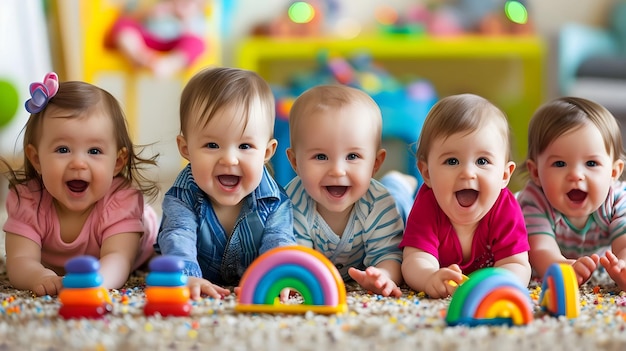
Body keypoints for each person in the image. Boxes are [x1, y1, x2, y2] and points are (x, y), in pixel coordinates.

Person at [2, 72, 160, 297]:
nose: (78, 163)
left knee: (161, 256)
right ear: (36, 159)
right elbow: (19, 261)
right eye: (63, 150)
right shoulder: (27, 200)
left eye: (94, 151)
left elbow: (118, 259)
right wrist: (41, 276)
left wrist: (96, 282)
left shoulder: (121, 202)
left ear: (117, 162)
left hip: (139, 238)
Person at [155, 67, 296, 300]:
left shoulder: (275, 203)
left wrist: (276, 275)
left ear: (267, 151)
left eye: (245, 146)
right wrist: (185, 275)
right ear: (185, 148)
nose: (229, 159)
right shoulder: (181, 198)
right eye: (212, 145)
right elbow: (178, 236)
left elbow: (279, 242)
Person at [400, 93, 531, 298]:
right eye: (452, 161)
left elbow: (517, 263)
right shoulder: (428, 203)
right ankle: (398, 184)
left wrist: (500, 284)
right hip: (403, 207)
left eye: (482, 161)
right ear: (426, 173)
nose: (468, 173)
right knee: (397, 205)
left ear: (505, 175)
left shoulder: (506, 207)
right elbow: (414, 259)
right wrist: (429, 277)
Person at [285, 84, 404, 298]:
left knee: (399, 198)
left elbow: (390, 254)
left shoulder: (380, 203)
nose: (337, 171)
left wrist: (384, 275)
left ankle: (398, 183)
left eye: (352, 157)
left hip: (393, 203)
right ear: (295, 162)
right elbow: (296, 256)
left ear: (375, 164)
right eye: (321, 157)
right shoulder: (291, 202)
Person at [517, 97, 626, 290]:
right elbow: (541, 248)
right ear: (536, 173)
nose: (576, 175)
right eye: (559, 164)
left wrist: (622, 264)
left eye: (591, 163)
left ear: (613, 172)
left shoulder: (617, 199)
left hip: (595, 259)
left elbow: (623, 242)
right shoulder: (534, 200)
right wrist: (561, 268)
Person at [105, 0, 207, 78]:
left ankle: (169, 65)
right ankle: (138, 57)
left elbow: (195, 36)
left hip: (173, 45)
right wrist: (147, 13)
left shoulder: (196, 15)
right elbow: (127, 15)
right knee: (123, 24)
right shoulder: (154, 4)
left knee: (196, 43)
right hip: (145, 41)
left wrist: (185, 17)